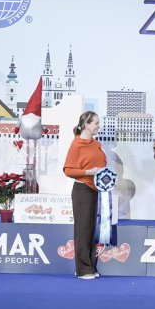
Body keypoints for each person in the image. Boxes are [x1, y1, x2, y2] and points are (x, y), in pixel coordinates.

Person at [63, 111, 107, 279]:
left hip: (96, 189)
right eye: (96, 123)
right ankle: (82, 269)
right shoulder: (76, 145)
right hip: (82, 190)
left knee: (92, 231)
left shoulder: (96, 143)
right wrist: (89, 172)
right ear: (87, 125)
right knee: (83, 230)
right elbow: (68, 170)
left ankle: (90, 266)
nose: (99, 126)